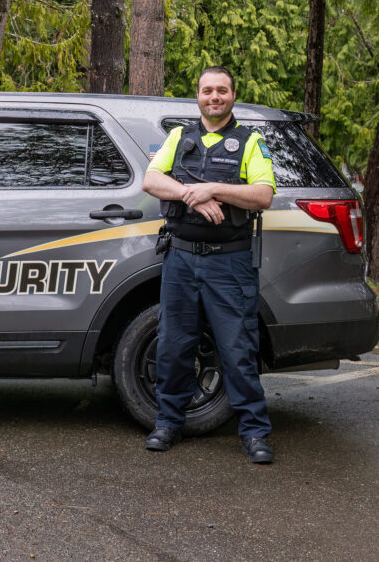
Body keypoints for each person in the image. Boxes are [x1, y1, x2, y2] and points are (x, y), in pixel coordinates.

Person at [141, 66, 276, 464]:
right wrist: (191, 195)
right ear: (197, 96)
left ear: (233, 95)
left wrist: (214, 188)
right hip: (181, 259)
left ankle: (254, 432)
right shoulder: (180, 137)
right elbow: (151, 180)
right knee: (173, 345)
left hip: (229, 263)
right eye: (206, 91)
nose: (213, 97)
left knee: (238, 349)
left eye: (221, 91)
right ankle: (167, 422)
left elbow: (263, 195)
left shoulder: (250, 141)